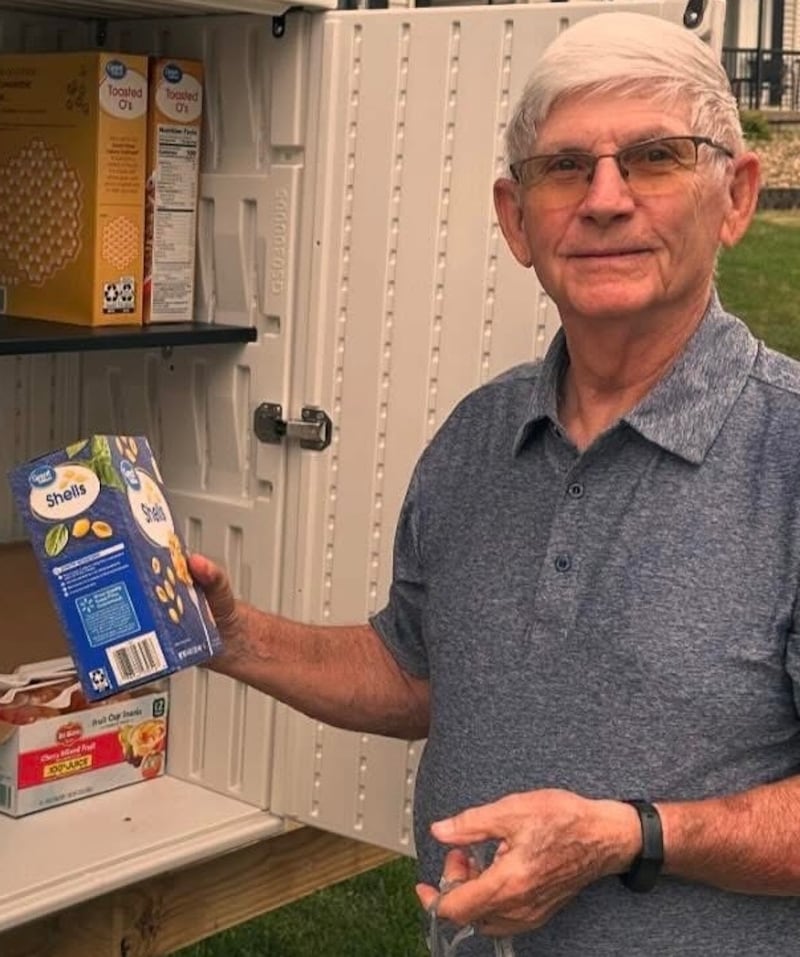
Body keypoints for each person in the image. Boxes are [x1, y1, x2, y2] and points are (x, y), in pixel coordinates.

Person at [187, 10, 800, 955]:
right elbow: (417, 672)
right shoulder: (481, 434)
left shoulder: (785, 454)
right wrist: (233, 635)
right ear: (517, 219)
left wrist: (630, 836)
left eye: (655, 158)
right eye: (566, 167)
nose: (605, 200)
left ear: (736, 195)